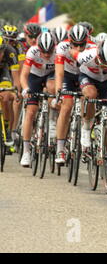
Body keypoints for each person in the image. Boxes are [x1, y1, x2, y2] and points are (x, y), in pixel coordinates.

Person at [54, 24, 94, 163]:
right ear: (69, 42)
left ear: (87, 41)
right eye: (75, 45)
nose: (78, 48)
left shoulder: (92, 47)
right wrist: (58, 91)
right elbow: (59, 73)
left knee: (88, 98)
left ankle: (85, 128)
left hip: (85, 75)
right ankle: (60, 149)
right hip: (68, 76)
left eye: (81, 45)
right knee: (66, 106)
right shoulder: (62, 47)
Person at [20, 32, 57, 166]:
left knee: (52, 88)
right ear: (38, 47)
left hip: (50, 76)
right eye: (44, 52)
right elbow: (24, 75)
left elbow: (61, 74)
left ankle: (52, 121)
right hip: (34, 77)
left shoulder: (58, 52)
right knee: (30, 111)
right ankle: (26, 151)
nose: (47, 55)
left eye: (50, 51)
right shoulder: (32, 52)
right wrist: (25, 89)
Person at [76, 39, 107, 148]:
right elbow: (74, 53)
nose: (106, 67)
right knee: (90, 94)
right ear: (98, 56)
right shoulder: (87, 56)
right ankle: (86, 128)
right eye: (103, 64)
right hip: (88, 77)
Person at [0, 36, 20, 149]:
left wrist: (17, 92)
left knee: (6, 96)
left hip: (4, 72)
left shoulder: (10, 52)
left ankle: (7, 130)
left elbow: (15, 76)